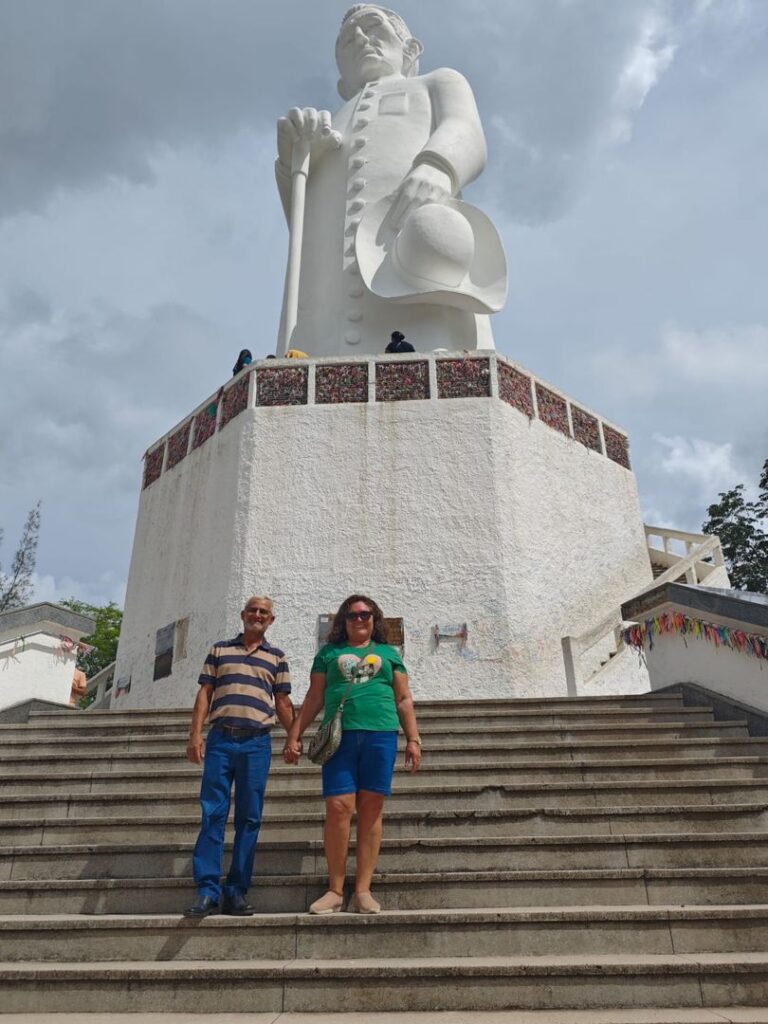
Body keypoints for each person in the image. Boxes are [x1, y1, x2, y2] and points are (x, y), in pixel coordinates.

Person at [275, 4, 506, 356]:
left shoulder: (437, 82)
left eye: (373, 28)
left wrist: (439, 165)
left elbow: (465, 130)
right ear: (341, 75)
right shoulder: (331, 122)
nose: (362, 40)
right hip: (333, 298)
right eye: (348, 42)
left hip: (411, 254)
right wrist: (292, 159)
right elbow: (303, 225)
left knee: (428, 337)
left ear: (410, 49)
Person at [283, 594, 421, 915]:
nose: (360, 619)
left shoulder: (389, 654)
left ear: (375, 619)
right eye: (352, 615)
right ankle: (334, 889)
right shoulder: (329, 654)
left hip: (380, 733)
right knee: (338, 807)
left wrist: (413, 738)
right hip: (340, 737)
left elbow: (403, 698)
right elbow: (315, 696)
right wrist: (294, 734)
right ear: (342, 621)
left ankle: (362, 890)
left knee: (372, 809)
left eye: (366, 614)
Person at [184, 596, 294, 917]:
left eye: (264, 612)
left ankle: (236, 890)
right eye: (253, 610)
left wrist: (295, 736)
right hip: (221, 739)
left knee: (249, 819)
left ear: (271, 620)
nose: (257, 615)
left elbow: (283, 702)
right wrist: (195, 734)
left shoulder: (277, 657)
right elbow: (205, 693)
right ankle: (207, 890)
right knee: (213, 814)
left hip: (257, 743)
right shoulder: (220, 650)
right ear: (243, 614)